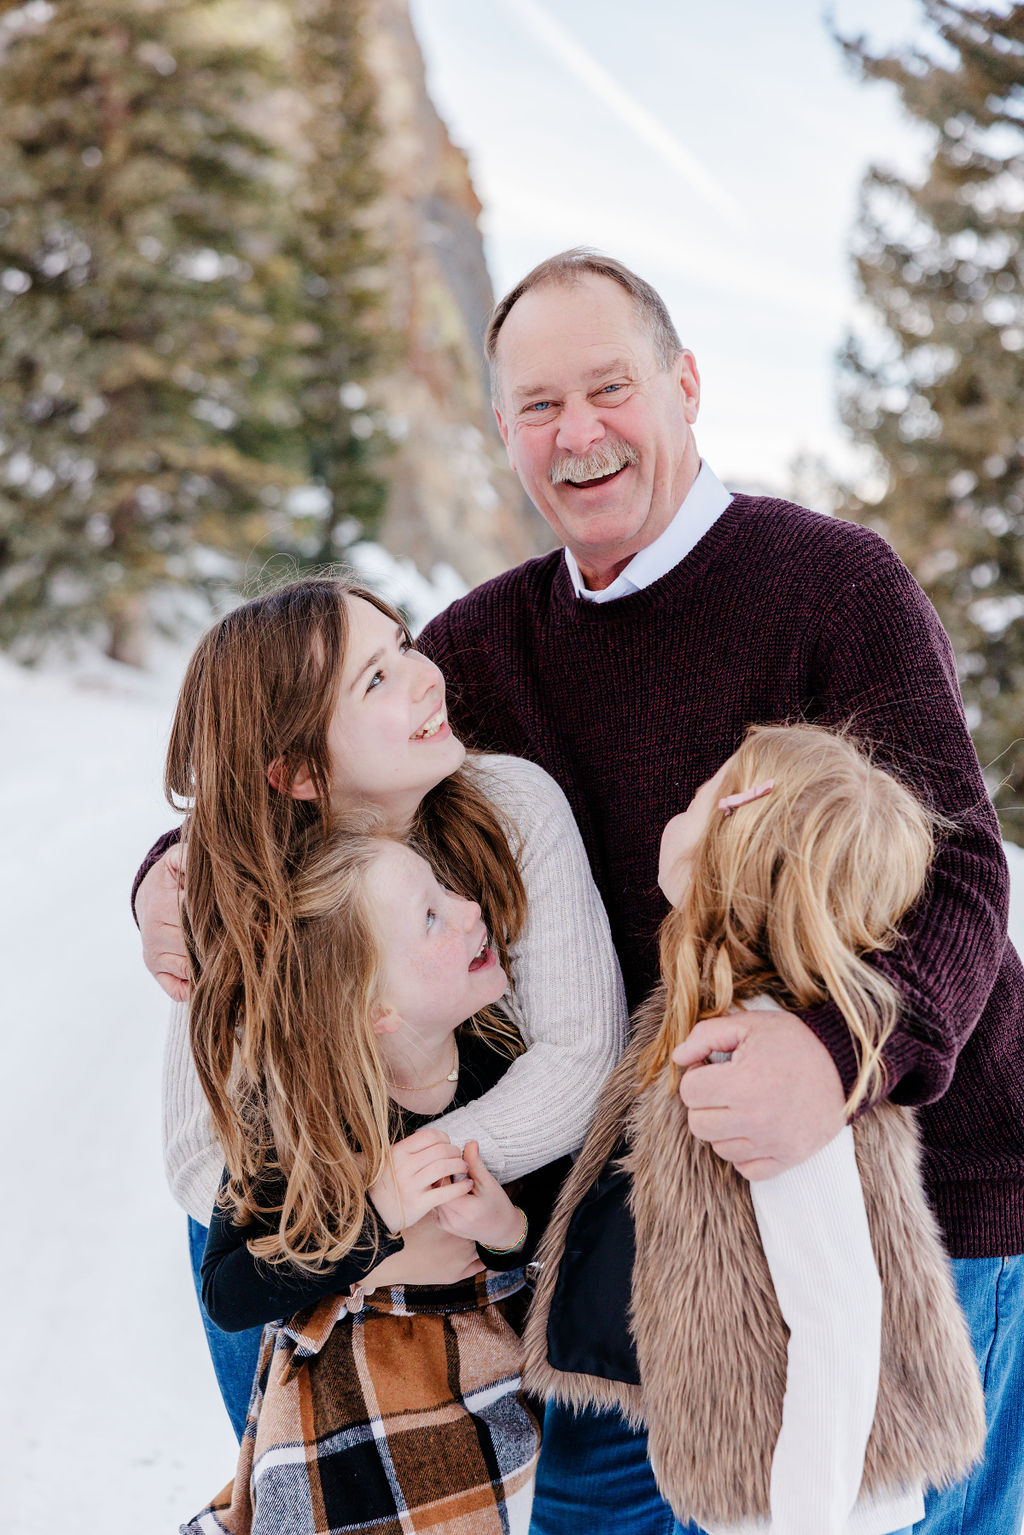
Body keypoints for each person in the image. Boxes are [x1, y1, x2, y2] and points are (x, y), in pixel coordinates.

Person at [410, 250, 1024, 1535]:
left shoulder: (833, 584)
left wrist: (840, 1047)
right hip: (662, 1228)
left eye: (611, 387)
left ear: (684, 386)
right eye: (537, 405)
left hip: (929, 1190)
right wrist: (170, 877)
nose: (578, 434)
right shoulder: (477, 645)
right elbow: (326, 768)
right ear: (505, 429)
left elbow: (961, 867)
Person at [133, 575, 626, 1437]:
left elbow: (582, 1057)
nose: (426, 675)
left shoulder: (512, 806)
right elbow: (195, 1150)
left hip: (492, 1213)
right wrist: (361, 1218)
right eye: (376, 680)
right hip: (304, 1246)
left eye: (402, 645)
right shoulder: (241, 885)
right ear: (293, 772)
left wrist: (425, 1187)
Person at [523, 724, 985, 1535]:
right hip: (774, 1481)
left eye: (705, 789)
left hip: (812, 1500)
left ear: (732, 817)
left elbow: (840, 1316)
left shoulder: (765, 1067)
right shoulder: (715, 1016)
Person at [183, 826, 568, 1535]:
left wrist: (505, 1229)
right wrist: (375, 1218)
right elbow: (227, 1290)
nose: (468, 908)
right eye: (431, 916)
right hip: (346, 1425)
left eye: (446, 889)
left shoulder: (504, 1067)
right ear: (375, 1010)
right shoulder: (296, 1112)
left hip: (486, 1406)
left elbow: (556, 1238)